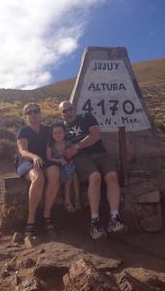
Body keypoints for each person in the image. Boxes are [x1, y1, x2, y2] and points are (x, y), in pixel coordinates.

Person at [59, 100, 125, 239]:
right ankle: (95, 222)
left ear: (74, 109)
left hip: (100, 154)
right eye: (64, 111)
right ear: (61, 115)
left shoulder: (86, 117)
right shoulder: (62, 129)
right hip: (82, 159)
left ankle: (115, 217)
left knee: (112, 176)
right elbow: (58, 146)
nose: (68, 112)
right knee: (95, 177)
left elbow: (95, 135)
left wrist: (76, 147)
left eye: (70, 108)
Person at [16, 103, 60, 238]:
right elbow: (23, 151)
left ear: (40, 113)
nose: (33, 114)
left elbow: (57, 142)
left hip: (45, 161)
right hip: (27, 162)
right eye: (29, 112)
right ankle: (31, 219)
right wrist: (34, 157)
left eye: (36, 111)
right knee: (38, 177)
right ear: (26, 116)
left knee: (54, 173)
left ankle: (47, 215)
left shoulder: (47, 130)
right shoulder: (23, 131)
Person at [46, 122, 81, 213]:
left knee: (75, 176)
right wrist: (59, 160)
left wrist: (70, 154)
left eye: (60, 132)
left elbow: (73, 153)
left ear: (64, 133)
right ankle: (67, 200)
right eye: (55, 133)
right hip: (59, 167)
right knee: (70, 175)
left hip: (69, 164)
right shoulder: (51, 145)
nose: (58, 135)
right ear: (52, 134)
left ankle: (77, 199)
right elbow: (49, 157)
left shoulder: (68, 143)